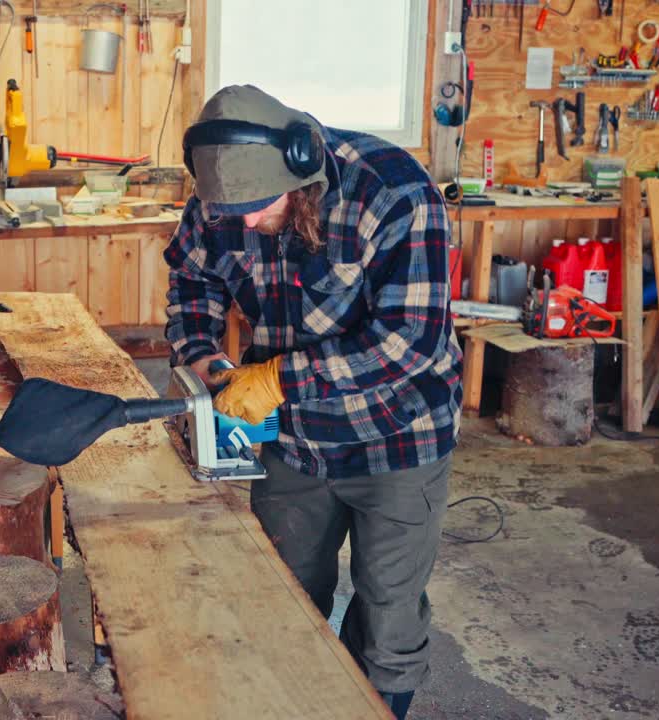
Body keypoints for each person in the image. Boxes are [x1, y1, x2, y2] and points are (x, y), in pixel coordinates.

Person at [164, 85, 462, 720]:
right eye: (230, 211)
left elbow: (410, 342)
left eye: (258, 207)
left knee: (387, 614)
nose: (243, 222)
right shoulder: (220, 204)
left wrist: (276, 380)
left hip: (398, 437)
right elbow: (192, 282)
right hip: (294, 446)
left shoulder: (393, 193)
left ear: (300, 166)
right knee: (282, 600)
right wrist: (208, 363)